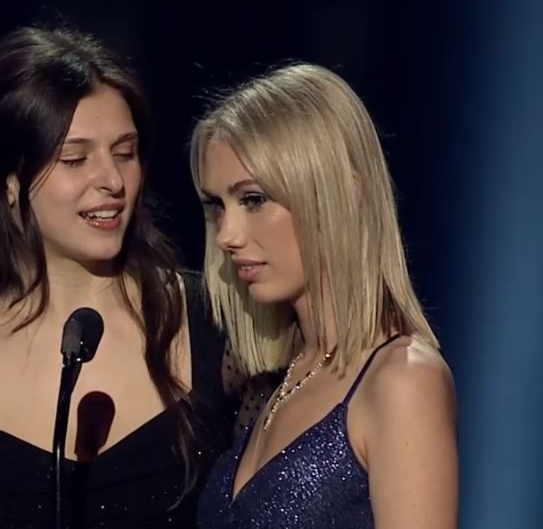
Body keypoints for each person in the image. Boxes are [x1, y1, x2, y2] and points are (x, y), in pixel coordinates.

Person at [0, 26, 236, 528]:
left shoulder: (213, 323)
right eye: (75, 159)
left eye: (125, 153)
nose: (111, 181)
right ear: (8, 181)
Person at [191, 63, 457, 528]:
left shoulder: (402, 381)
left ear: (340, 194)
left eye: (253, 200)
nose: (227, 235)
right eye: (218, 206)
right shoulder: (280, 381)